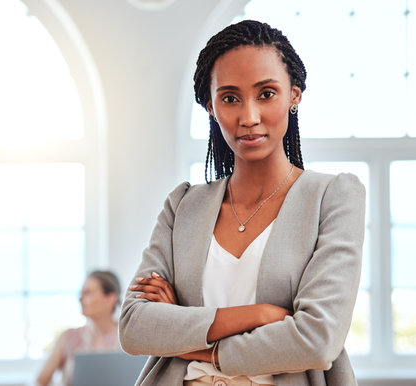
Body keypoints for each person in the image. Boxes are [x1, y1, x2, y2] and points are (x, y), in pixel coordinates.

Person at [119, 19, 366, 386]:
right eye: (230, 98)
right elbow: (135, 327)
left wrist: (187, 337)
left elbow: (317, 340)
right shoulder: (183, 206)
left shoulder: (333, 198)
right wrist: (258, 314)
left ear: (294, 95)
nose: (249, 117)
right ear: (210, 107)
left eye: (266, 94)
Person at [36, 270, 122, 386]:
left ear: (111, 299)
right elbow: (40, 381)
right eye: (81, 293)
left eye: (87, 293)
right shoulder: (68, 337)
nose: (80, 299)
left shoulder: (128, 338)